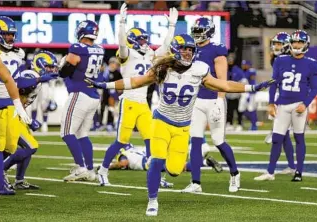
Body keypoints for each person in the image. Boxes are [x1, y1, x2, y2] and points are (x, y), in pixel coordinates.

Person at [85, 33, 274, 216]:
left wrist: (252, 87)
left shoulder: (199, 68)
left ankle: (175, 167)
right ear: (175, 50)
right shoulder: (163, 68)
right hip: (161, 122)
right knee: (157, 160)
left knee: (175, 170)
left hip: (183, 127)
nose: (188, 54)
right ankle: (152, 201)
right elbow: (135, 81)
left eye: (191, 50)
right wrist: (105, 85)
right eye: (184, 50)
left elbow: (223, 85)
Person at [96, 3, 178, 186]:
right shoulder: (127, 53)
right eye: (140, 40)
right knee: (120, 141)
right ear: (133, 41)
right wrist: (122, 23)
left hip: (143, 103)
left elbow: (165, 46)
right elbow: (122, 44)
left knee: (151, 140)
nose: (144, 43)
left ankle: (156, 176)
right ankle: (102, 171)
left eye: (145, 40)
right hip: (129, 102)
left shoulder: (149, 54)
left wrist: (172, 26)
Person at [182, 17, 240, 194]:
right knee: (196, 141)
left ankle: (234, 174)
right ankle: (196, 183)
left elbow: (222, 80)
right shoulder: (191, 49)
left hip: (214, 99)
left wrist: (219, 101)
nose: (197, 35)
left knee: (218, 141)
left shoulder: (217, 50)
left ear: (208, 32)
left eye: (200, 31)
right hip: (197, 100)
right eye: (196, 31)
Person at [254, 30, 317, 182]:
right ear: (290, 44)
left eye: (300, 42)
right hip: (283, 103)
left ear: (306, 44)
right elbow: (274, 83)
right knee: (277, 138)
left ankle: (298, 172)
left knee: (299, 138)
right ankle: (270, 172)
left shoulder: (311, 64)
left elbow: (315, 88)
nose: (297, 45)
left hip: (299, 104)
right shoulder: (281, 60)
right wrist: (271, 103)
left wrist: (305, 104)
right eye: (295, 42)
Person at [3, 51, 58, 190]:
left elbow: (20, 100)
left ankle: (19, 180)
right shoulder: (31, 74)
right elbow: (19, 83)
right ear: (40, 65)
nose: (51, 70)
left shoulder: (36, 78)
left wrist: (28, 119)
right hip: (9, 114)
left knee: (22, 147)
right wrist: (40, 79)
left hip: (16, 114)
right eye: (49, 67)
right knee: (30, 146)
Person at [58, 20, 105, 182]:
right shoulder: (100, 49)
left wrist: (62, 65)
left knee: (66, 132)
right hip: (93, 95)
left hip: (80, 94)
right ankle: (91, 170)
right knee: (82, 134)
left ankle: (81, 167)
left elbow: (65, 72)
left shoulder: (77, 48)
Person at [0, 16, 32, 196]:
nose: (9, 37)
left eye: (11, 34)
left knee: (9, 146)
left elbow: (14, 79)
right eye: (6, 34)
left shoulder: (19, 53)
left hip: (10, 102)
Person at [263, 32, 296, 175]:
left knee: (283, 134)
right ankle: (292, 166)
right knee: (285, 135)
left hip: (290, 98)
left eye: (279, 44)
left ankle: (272, 171)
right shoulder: (276, 59)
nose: (276, 46)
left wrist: (274, 101)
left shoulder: (290, 59)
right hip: (284, 96)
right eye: (275, 43)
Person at [226, 53, 246, 131]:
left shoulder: (237, 70)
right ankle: (229, 123)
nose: (230, 61)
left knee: (239, 110)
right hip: (228, 93)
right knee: (229, 110)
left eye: (231, 59)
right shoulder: (225, 69)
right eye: (229, 59)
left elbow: (243, 81)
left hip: (237, 93)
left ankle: (239, 123)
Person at [240, 60, 258, 130]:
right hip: (244, 93)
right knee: (242, 109)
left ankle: (254, 125)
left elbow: (252, 82)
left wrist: (251, 93)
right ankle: (251, 122)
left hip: (250, 93)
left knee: (251, 109)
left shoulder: (251, 71)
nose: (243, 66)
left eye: (245, 64)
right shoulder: (242, 72)